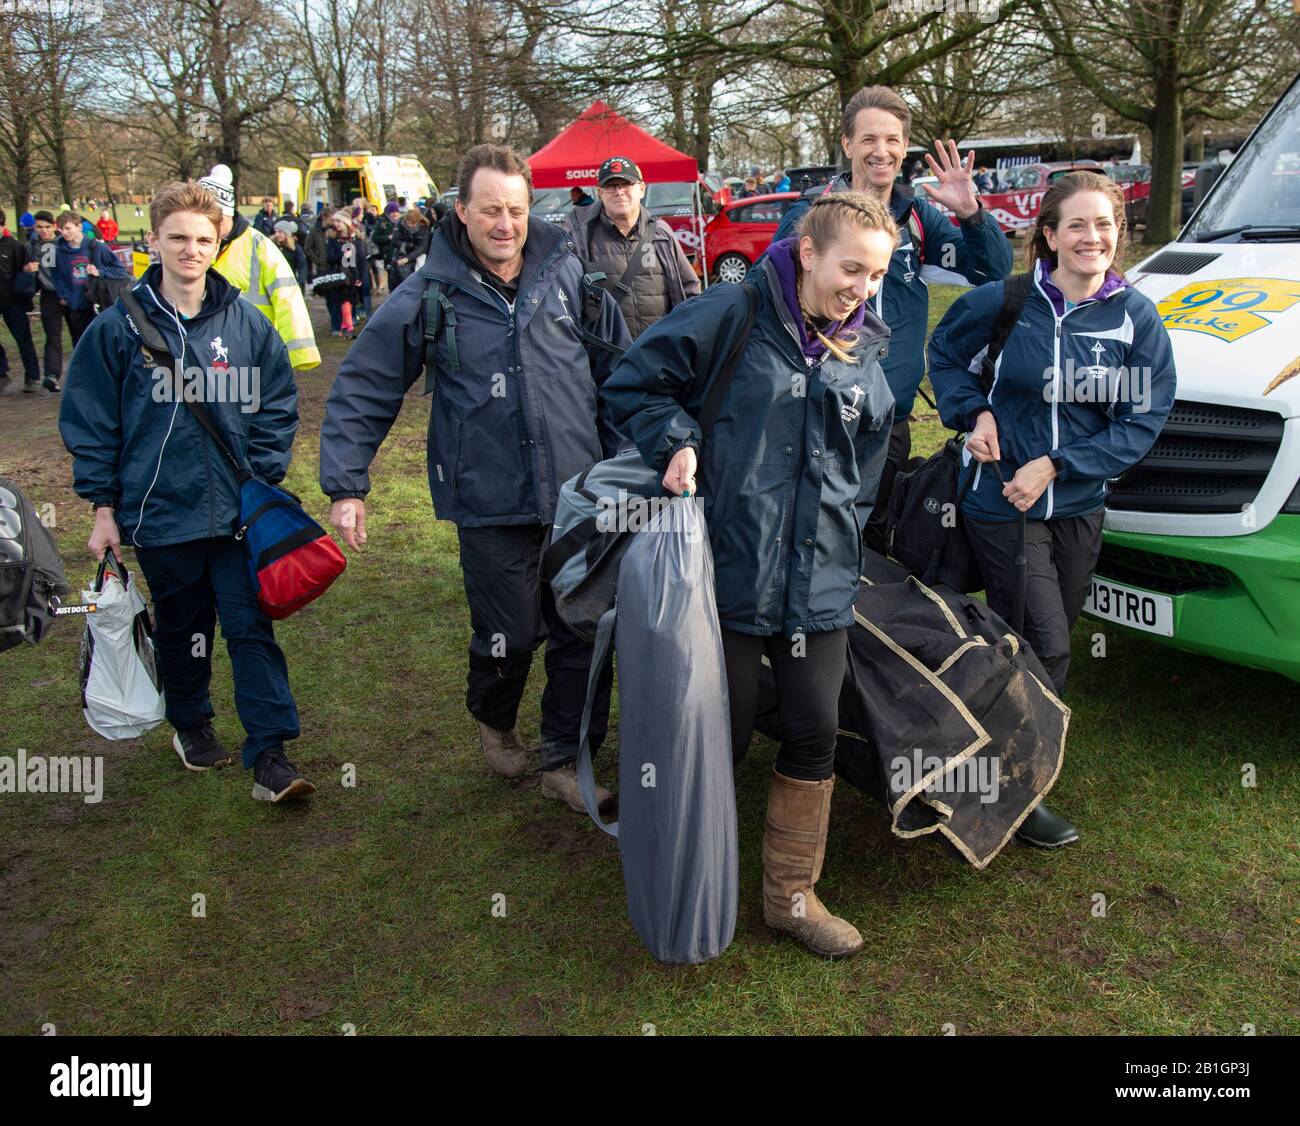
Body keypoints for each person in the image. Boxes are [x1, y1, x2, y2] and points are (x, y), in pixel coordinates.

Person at [602, 192, 896, 959]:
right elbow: (634, 382)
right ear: (807, 253)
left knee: (811, 729)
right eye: (850, 268)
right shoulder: (732, 312)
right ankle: (690, 875)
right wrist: (676, 441)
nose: (861, 288)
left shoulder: (866, 343)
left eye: (876, 275)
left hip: (820, 579)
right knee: (716, 733)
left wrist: (843, 523)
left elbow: (870, 454)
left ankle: (791, 898)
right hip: (727, 569)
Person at [319, 143, 631, 813]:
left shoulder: (569, 276)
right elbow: (366, 385)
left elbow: (621, 376)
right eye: (490, 210)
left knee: (585, 631)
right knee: (509, 635)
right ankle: (494, 717)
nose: (505, 224)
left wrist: (633, 463)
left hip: (580, 496)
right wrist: (346, 483)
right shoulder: (428, 294)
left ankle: (563, 758)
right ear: (461, 212)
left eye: (515, 209)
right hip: (489, 500)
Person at [929, 172, 1176, 848]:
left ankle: (974, 754)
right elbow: (946, 355)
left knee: (1037, 643)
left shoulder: (1135, 317)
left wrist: (1062, 465)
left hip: (1078, 508)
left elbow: (1142, 418)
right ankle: (1018, 791)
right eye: (1077, 225)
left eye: (1104, 224)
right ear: (1049, 234)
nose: (1091, 237)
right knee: (1046, 643)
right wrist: (972, 411)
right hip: (1001, 501)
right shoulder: (1006, 300)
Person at [57, 180, 312, 802]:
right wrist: (103, 507)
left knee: (251, 625)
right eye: (178, 238)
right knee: (184, 625)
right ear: (155, 241)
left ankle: (269, 754)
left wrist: (261, 472)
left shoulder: (246, 323)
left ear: (219, 238)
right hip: (158, 513)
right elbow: (92, 422)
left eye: (203, 238)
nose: (191, 250)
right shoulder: (117, 329)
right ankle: (192, 722)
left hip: (236, 513)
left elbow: (277, 401)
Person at [770, 86, 1012, 555]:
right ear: (846, 144)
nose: (881, 152)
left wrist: (972, 215)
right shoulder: (809, 216)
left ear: (904, 147)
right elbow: (773, 305)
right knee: (816, 534)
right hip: (818, 416)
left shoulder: (917, 219)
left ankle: (871, 625)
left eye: (893, 140)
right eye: (868, 140)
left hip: (889, 417)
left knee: (878, 537)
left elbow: (992, 272)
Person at [196, 164, 320, 371]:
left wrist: (300, 352)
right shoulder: (192, 246)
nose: (211, 226)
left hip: (252, 349)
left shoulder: (258, 245)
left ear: (229, 214)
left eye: (217, 219)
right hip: (201, 351)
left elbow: (288, 297)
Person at [565, 155, 700, 339]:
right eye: (611, 186)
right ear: (600, 192)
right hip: (609, 357)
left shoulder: (662, 233)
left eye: (626, 183)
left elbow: (689, 288)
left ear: (641, 189)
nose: (619, 191)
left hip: (660, 351)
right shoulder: (581, 237)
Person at [51, 210, 130, 357]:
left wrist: (100, 272)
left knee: (103, 344)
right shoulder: (58, 251)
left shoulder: (97, 247)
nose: (64, 233)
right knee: (81, 345)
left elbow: (121, 271)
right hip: (76, 304)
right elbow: (57, 276)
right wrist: (67, 296)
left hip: (98, 304)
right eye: (61, 229)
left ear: (79, 227)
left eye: (68, 228)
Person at [27, 211, 69, 392]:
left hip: (69, 293)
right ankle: (52, 375)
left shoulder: (64, 244)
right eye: (39, 227)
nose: (43, 231)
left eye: (47, 227)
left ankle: (86, 373)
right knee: (52, 336)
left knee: (80, 335)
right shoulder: (31, 246)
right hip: (48, 295)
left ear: (54, 226)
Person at [0, 208, 40, 391]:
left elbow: (25, 275)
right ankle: (2, 373)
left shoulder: (14, 247)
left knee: (23, 338)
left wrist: (28, 302)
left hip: (12, 301)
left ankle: (31, 377)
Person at [388, 206, 430, 289]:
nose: (410, 225)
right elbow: (394, 241)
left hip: (418, 253)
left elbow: (422, 247)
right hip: (402, 251)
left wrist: (408, 258)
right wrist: (408, 245)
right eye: (408, 222)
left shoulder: (423, 228)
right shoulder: (400, 224)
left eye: (412, 223)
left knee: (419, 269)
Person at [272, 219, 307, 290]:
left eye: (280, 232)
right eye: (276, 232)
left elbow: (302, 266)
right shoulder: (272, 245)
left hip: (289, 284)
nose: (277, 235)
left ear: (287, 233)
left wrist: (300, 281)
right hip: (274, 283)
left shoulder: (295, 248)